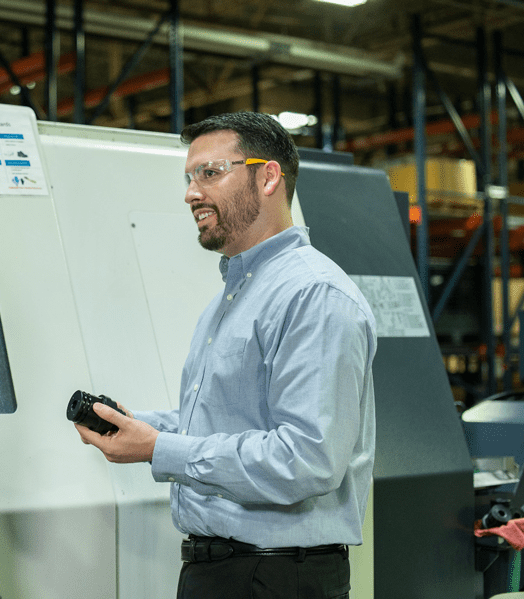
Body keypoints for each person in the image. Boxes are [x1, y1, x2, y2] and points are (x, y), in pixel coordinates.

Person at [75, 112, 376, 599]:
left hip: (274, 578)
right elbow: (231, 422)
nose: (191, 193)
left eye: (210, 173)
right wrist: (141, 427)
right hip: (223, 571)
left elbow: (307, 458)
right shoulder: (233, 298)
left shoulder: (313, 295)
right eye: (189, 177)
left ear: (269, 176)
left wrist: (158, 448)